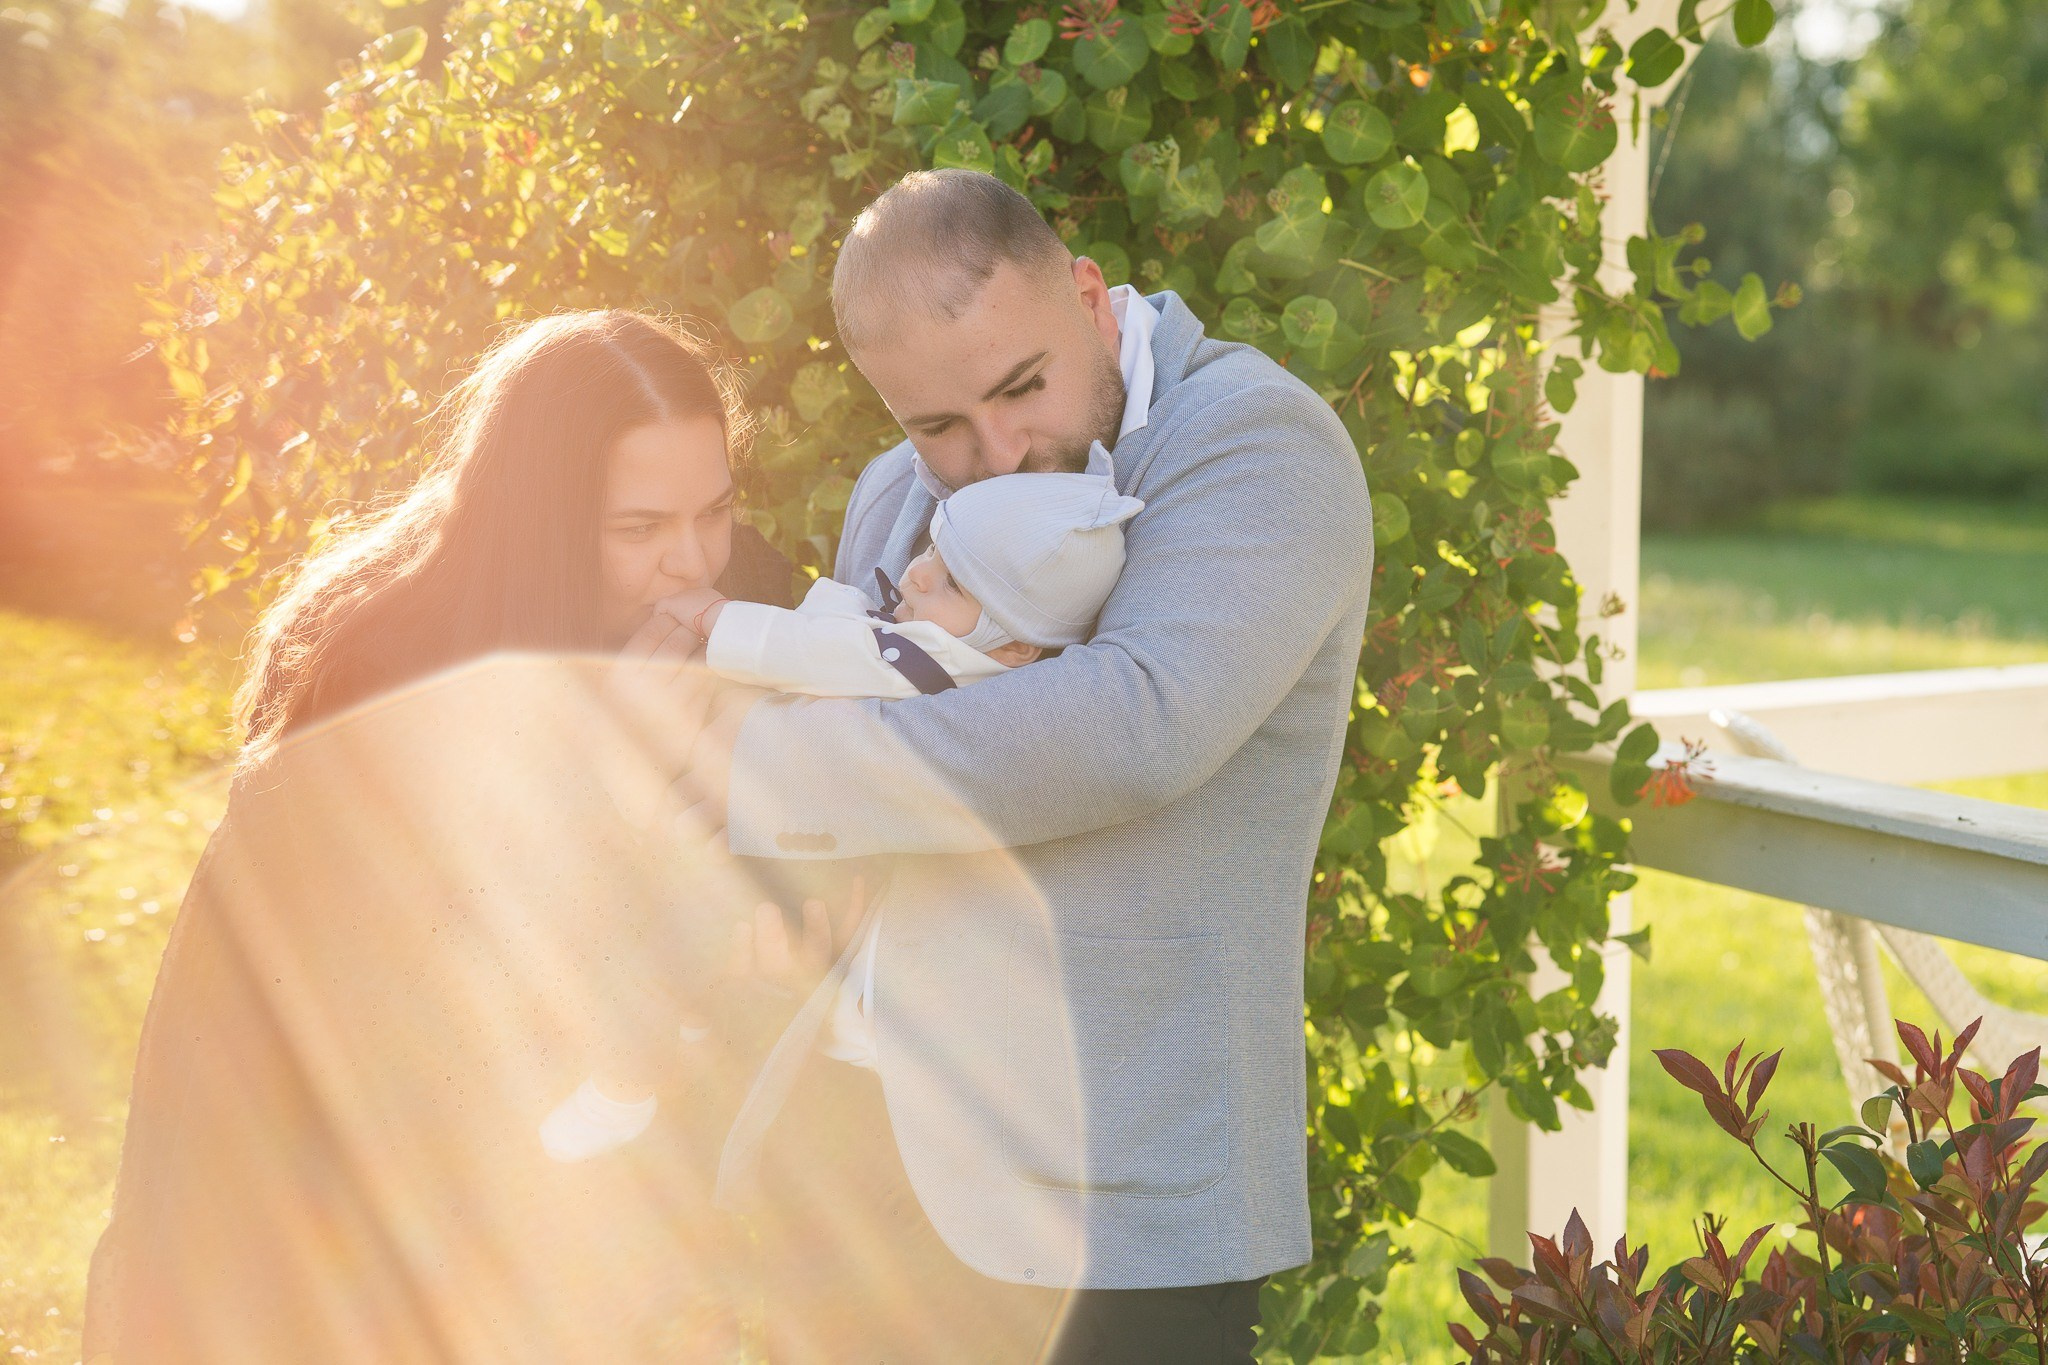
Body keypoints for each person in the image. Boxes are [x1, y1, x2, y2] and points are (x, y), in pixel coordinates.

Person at [683, 169, 1377, 1363]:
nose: (994, 454)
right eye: (933, 424)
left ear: (1092, 299)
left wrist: (754, 770)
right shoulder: (893, 490)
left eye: (1021, 387)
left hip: (1114, 1187)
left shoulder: (1256, 440)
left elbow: (1137, 723)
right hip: (867, 1154)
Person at [82, 310, 827, 1364]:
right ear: (542, 521)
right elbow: (416, 1023)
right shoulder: (393, 671)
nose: (689, 560)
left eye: (714, 508)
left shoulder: (739, 592)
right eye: (638, 528)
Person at [540, 460, 1144, 1159]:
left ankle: (626, 1084)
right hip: (816, 855)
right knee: (683, 927)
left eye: (951, 582)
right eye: (931, 553)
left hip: (811, 858)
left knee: (668, 929)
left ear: (1013, 646)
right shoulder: (954, 655)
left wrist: (717, 619)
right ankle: (686, 1032)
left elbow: (824, 649)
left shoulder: (938, 668)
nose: (917, 575)